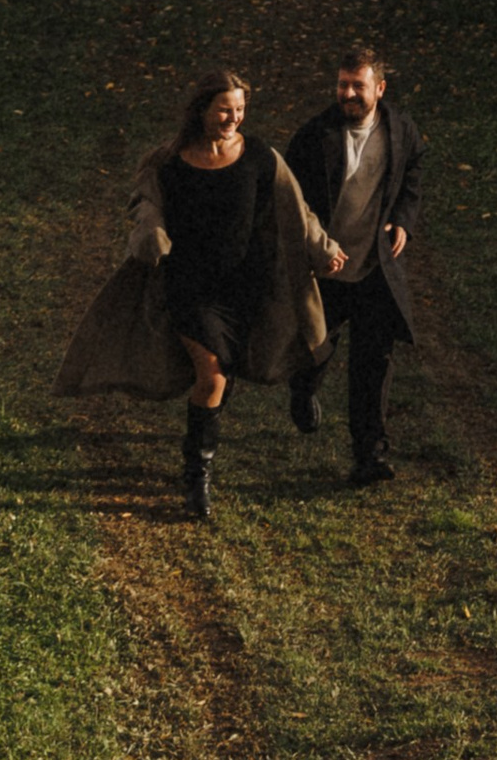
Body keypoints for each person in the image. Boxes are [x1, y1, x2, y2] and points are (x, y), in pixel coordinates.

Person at [54, 66, 345, 521]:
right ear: (202, 110)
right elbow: (146, 203)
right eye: (224, 109)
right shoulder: (169, 161)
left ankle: (208, 446)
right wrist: (151, 233)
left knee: (226, 373)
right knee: (210, 375)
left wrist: (323, 249)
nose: (234, 118)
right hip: (190, 289)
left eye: (240, 109)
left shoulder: (260, 157)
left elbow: (297, 210)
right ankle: (197, 476)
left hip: (246, 289)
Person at [285, 45, 422, 487]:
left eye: (357, 86)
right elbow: (290, 202)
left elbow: (413, 174)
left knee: (373, 362)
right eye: (342, 85)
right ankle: (303, 389)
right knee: (314, 348)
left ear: (380, 89)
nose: (347, 94)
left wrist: (403, 220)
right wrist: (316, 248)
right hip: (325, 268)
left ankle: (370, 456)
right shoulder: (313, 137)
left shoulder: (401, 130)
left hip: (373, 270)